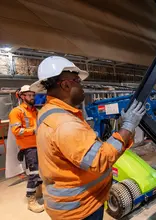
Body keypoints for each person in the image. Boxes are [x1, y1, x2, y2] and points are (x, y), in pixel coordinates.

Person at [30, 56, 146, 220]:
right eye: (77, 80)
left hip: (69, 205)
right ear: (66, 84)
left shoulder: (49, 112)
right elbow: (100, 160)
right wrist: (128, 127)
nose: (82, 85)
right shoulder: (65, 123)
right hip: (80, 208)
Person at [8, 85, 44, 213]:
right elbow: (17, 131)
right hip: (28, 147)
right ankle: (31, 200)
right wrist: (33, 131)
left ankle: (39, 192)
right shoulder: (16, 112)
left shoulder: (34, 110)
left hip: (38, 144)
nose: (32, 97)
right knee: (33, 174)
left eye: (33, 95)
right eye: (29, 95)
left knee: (40, 171)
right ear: (22, 96)